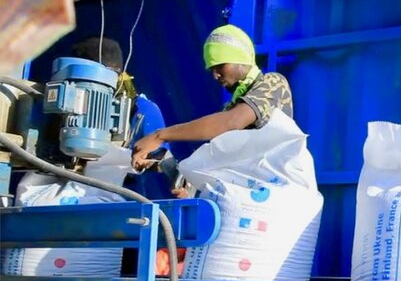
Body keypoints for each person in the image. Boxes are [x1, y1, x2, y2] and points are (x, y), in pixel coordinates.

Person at [131, 24, 293, 172]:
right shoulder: (229, 109)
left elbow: (233, 122)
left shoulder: (273, 83)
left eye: (220, 66)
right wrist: (174, 173)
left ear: (240, 59)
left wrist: (159, 136)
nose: (215, 75)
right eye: (211, 69)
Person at [71, 36, 172, 198]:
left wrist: (143, 160)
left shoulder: (142, 111)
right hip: (69, 194)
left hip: (120, 200)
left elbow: (160, 159)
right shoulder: (71, 102)